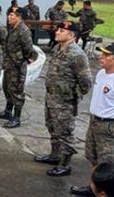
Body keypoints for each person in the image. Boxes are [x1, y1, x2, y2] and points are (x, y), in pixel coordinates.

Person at [69, 42, 114, 189]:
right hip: (95, 122)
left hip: (111, 125)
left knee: (109, 163)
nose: (101, 57)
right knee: (93, 157)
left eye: (106, 55)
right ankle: (94, 188)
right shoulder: (102, 73)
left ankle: (107, 194)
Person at [35, 22, 93, 176]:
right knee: (52, 127)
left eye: (62, 30)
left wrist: (73, 96)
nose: (57, 32)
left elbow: (86, 82)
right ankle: (55, 155)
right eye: (58, 29)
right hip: (51, 97)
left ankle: (65, 164)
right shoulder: (57, 48)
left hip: (64, 101)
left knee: (65, 132)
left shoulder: (77, 55)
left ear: (72, 35)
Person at [0, 7, 37, 128]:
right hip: (9, 66)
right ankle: (8, 112)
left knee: (17, 92)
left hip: (17, 67)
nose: (9, 17)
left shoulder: (23, 31)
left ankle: (17, 118)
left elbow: (29, 50)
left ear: (19, 17)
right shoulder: (13, 28)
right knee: (7, 88)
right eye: (9, 15)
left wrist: (22, 60)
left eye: (12, 15)